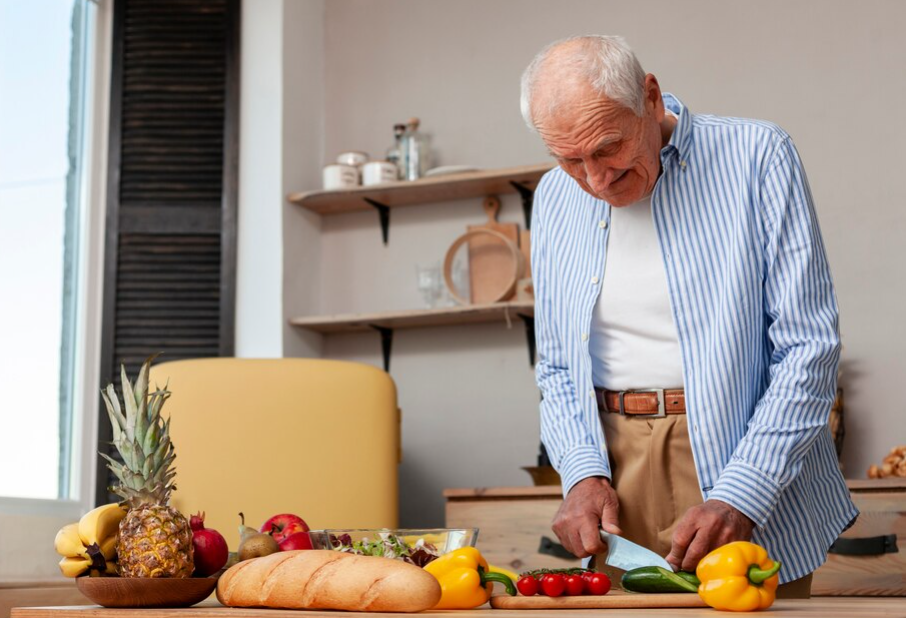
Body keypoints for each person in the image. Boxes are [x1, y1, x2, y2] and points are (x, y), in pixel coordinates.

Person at [521, 35, 857, 598]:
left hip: (744, 456)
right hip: (614, 472)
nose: (596, 181)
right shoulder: (555, 197)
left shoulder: (757, 155)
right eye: (571, 159)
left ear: (649, 97)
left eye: (608, 148)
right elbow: (556, 365)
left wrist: (743, 494)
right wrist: (580, 472)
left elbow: (808, 348)